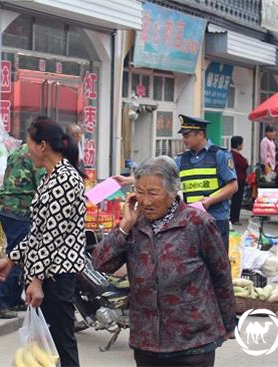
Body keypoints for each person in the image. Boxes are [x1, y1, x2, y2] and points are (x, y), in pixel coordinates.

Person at [93, 156, 235, 367]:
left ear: (172, 191)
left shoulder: (198, 223)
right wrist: (124, 226)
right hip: (147, 341)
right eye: (140, 192)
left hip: (192, 341)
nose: (146, 201)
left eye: (153, 193)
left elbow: (221, 275)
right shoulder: (134, 225)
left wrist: (228, 324)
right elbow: (100, 263)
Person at [0, 119, 86, 367]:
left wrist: (37, 280)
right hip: (46, 274)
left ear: (42, 146)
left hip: (56, 276)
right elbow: (38, 232)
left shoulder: (65, 179)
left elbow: (52, 237)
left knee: (61, 345)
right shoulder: (49, 177)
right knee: (47, 348)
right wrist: (11, 259)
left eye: (29, 143)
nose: (26, 148)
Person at [115, 115, 238, 250]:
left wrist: (210, 200)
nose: (184, 140)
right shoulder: (181, 159)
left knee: (217, 260)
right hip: (192, 218)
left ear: (200, 134)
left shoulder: (219, 155)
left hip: (216, 218)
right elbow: (159, 174)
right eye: (183, 136)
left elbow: (233, 186)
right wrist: (128, 180)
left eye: (187, 136)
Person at [0, 141, 45, 318]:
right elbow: (43, 184)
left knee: (20, 254)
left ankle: (12, 299)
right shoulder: (35, 155)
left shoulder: (18, 151)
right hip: (19, 210)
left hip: (8, 209)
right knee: (18, 255)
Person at [230, 136, 249, 225]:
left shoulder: (230, 154)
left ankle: (232, 217)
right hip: (239, 180)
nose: (242, 145)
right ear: (238, 145)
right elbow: (245, 164)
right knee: (237, 200)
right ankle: (234, 218)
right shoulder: (236, 155)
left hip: (233, 179)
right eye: (242, 143)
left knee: (234, 199)